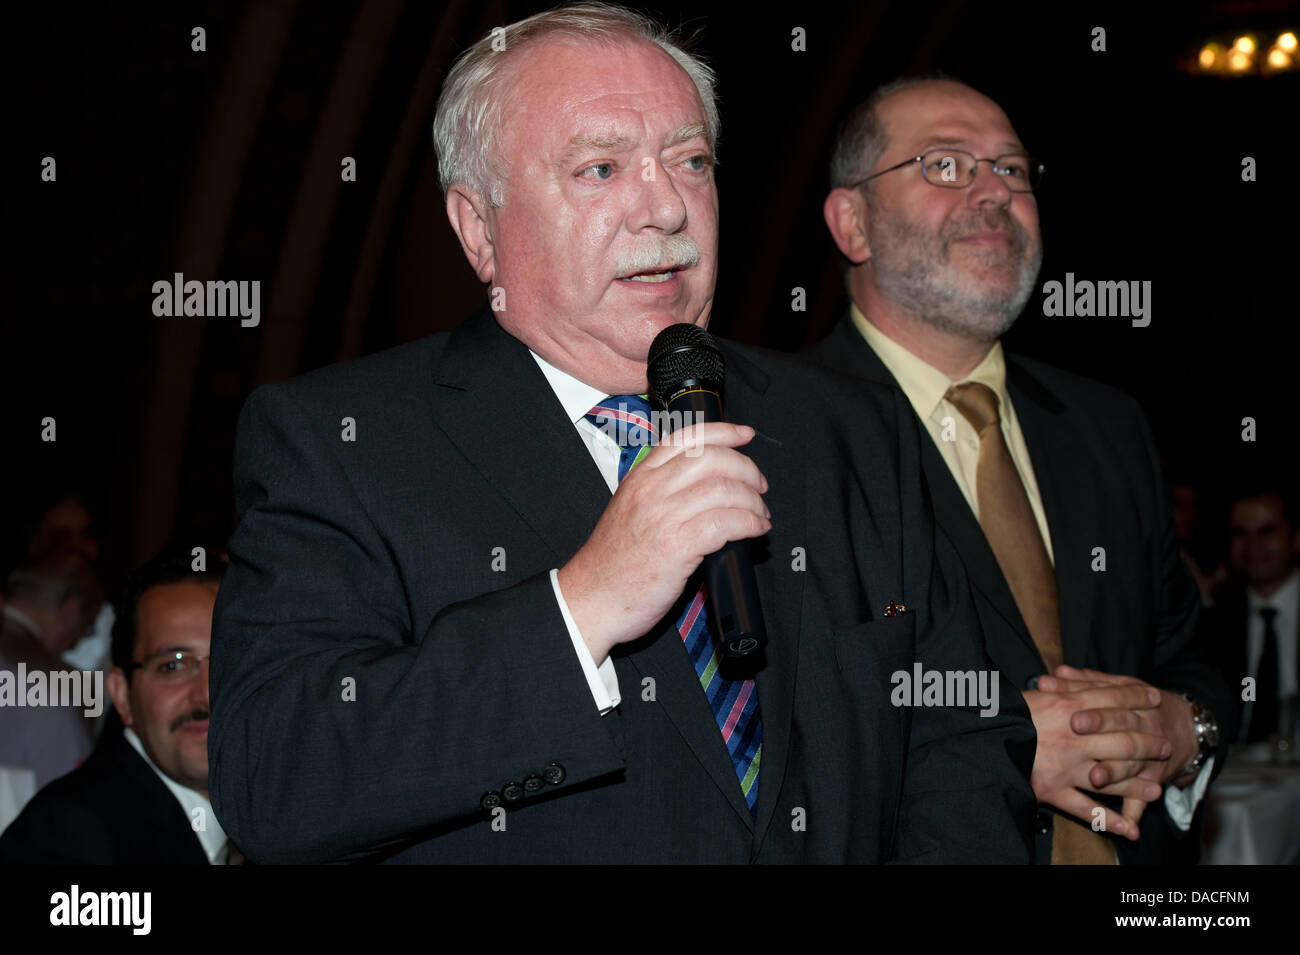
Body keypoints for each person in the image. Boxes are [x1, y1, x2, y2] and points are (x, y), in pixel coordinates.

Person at [207, 4, 1035, 864]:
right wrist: (584, 605)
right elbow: (275, 775)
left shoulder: (850, 428)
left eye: (691, 161)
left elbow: (965, 746)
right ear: (479, 229)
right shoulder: (343, 441)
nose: (668, 208)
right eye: (600, 169)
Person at [804, 76, 1232, 864]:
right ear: (852, 222)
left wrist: (1184, 726)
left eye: (1012, 169)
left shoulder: (1107, 424)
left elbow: (1185, 650)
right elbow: (781, 730)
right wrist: (997, 742)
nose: (994, 192)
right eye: (945, 165)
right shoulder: (785, 436)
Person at [0, 551, 239, 863]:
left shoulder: (275, 818)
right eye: (172, 666)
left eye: (230, 663)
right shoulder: (68, 840)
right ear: (123, 695)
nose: (207, 694)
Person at [0, 551, 102, 830]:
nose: (78, 640)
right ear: (70, 609)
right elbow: (72, 811)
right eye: (88, 625)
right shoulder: (63, 684)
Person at [1202, 484, 1297, 742]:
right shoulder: (1214, 624)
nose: (1253, 546)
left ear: (1295, 537)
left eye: (1267, 531)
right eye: (1240, 534)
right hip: (1235, 772)